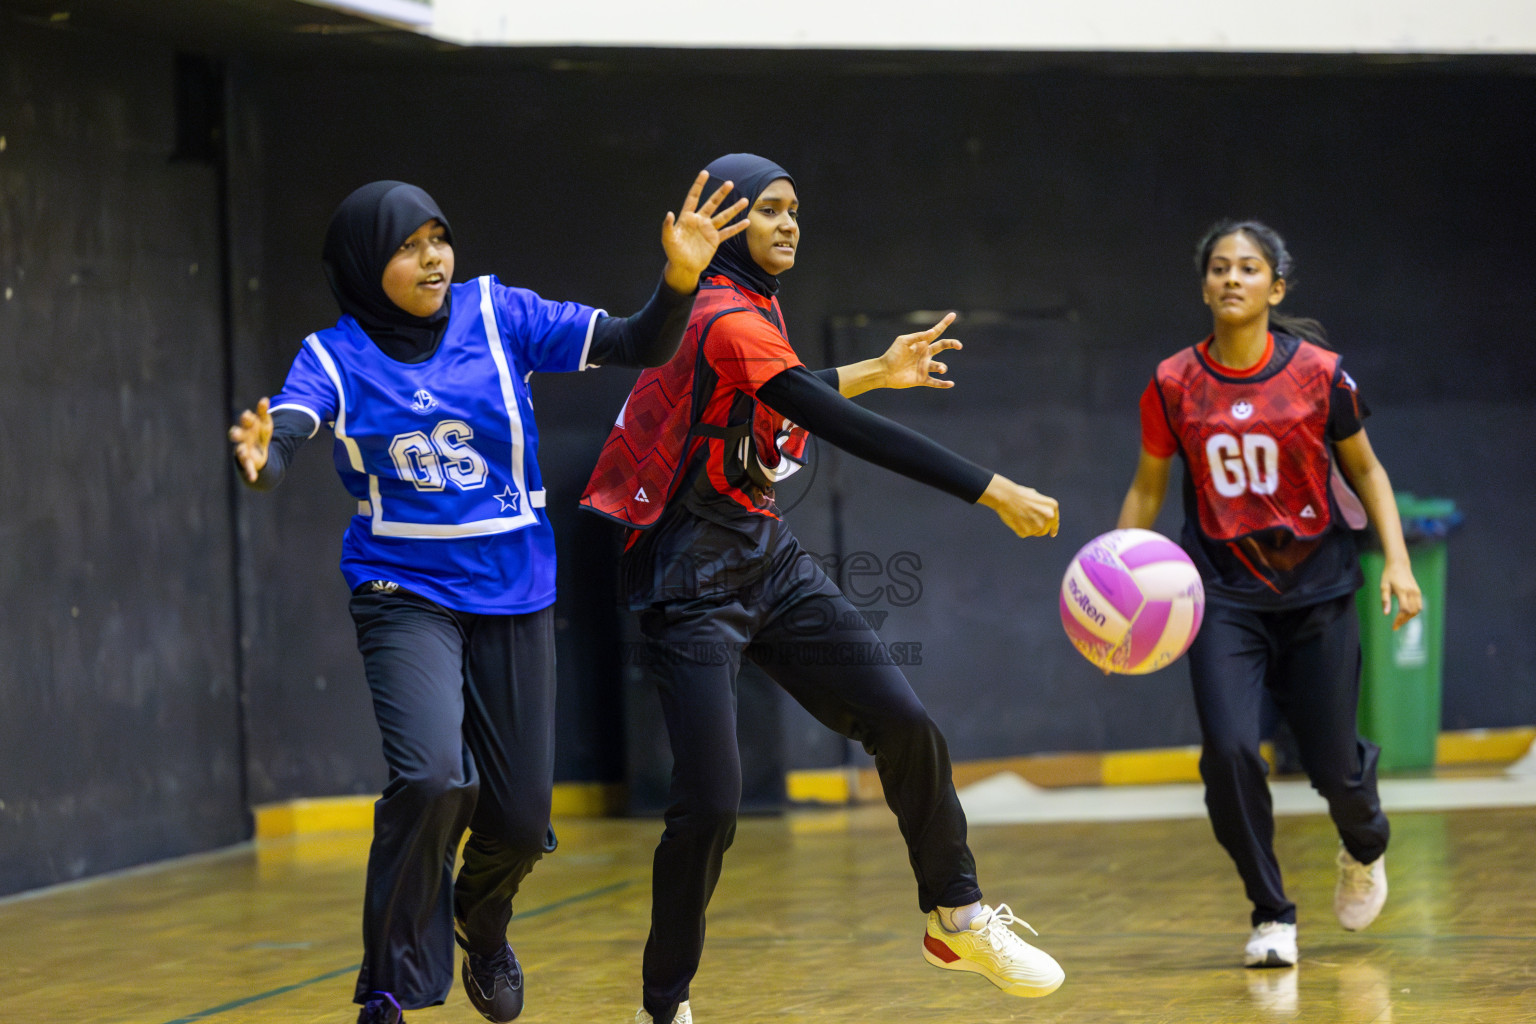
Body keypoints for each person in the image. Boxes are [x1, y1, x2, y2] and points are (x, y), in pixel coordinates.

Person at [227, 173, 747, 1024]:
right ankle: (391, 987)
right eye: (407, 246)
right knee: (432, 777)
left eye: (439, 238)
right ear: (364, 264)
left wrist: (679, 280)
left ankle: (485, 917)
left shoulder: (496, 313)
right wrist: (266, 455)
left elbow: (639, 343)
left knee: (515, 818)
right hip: (405, 591)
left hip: (515, 589)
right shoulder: (333, 355)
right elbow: (294, 421)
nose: (433, 258)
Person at [579, 153, 1066, 1024]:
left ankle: (955, 916)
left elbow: (778, 400)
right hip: (687, 578)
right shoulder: (722, 312)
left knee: (905, 722)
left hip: (764, 555)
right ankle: (665, 1003)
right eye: (767, 210)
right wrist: (989, 489)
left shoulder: (750, 309)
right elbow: (831, 421)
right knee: (711, 808)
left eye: (795, 209)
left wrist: (878, 369)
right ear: (726, 229)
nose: (788, 224)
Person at [1115, 219, 1423, 968]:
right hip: (1222, 596)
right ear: (1204, 286)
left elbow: (1368, 472)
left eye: (1247, 269)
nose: (1230, 279)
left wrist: (1399, 563)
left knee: (1334, 773)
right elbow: (1148, 487)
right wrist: (1120, 578)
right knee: (1226, 752)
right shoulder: (1172, 382)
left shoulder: (1321, 374)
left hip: (1317, 590)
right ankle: (1271, 912)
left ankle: (1365, 841)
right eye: (1218, 268)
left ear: (1275, 288)